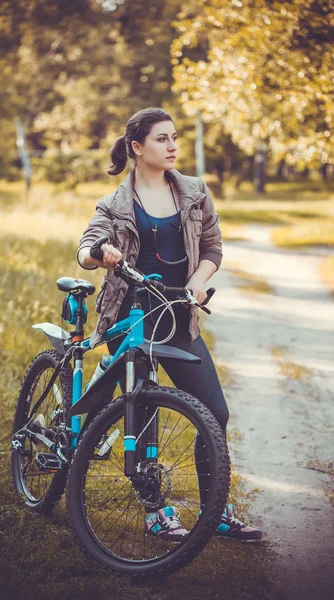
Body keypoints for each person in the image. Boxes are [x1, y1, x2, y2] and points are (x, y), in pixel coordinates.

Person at [77, 107, 263, 542]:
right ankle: (156, 511)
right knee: (141, 415)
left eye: (174, 137)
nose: (173, 145)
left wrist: (198, 282)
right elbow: (86, 248)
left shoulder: (195, 192)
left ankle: (216, 510)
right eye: (162, 139)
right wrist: (99, 253)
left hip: (178, 316)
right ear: (137, 148)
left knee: (214, 412)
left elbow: (213, 246)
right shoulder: (115, 204)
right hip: (131, 320)